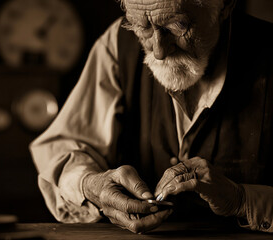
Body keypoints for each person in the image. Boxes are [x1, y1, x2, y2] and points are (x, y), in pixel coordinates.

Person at [30, 0, 273, 234]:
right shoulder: (117, 44)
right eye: (142, 27)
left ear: (225, 4)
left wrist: (242, 201)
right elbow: (61, 148)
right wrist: (91, 185)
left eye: (177, 26)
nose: (158, 51)